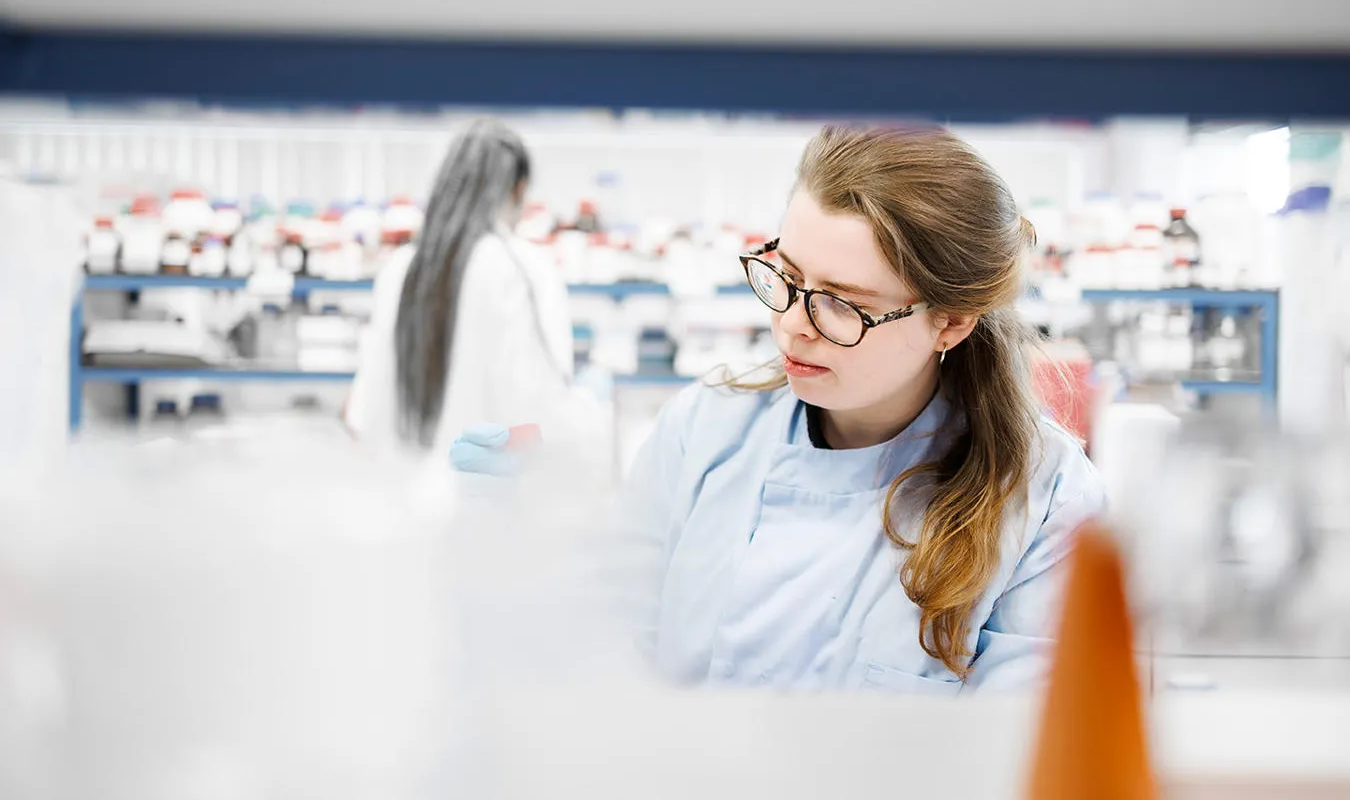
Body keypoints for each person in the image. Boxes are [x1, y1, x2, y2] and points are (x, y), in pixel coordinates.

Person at [613, 124, 1106, 693]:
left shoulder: (1046, 499)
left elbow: (1030, 747)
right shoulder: (702, 429)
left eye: (842, 304)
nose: (794, 326)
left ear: (949, 322)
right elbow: (610, 648)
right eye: (789, 278)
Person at [345, 119, 603, 468]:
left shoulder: (401, 266)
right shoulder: (517, 264)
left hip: (401, 499)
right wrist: (593, 405)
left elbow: (364, 413)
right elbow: (536, 411)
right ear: (517, 189)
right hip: (483, 502)